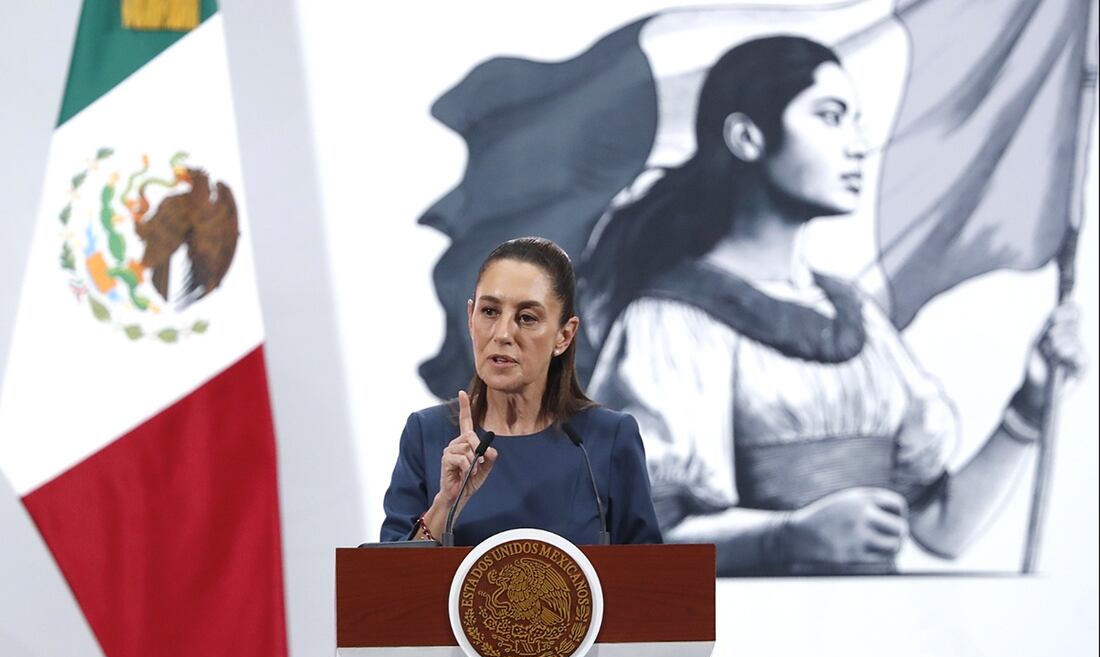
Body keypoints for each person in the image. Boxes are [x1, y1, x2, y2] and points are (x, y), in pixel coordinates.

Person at [581, 36, 1085, 574]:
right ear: (747, 137)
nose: (857, 144)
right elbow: (634, 544)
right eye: (831, 116)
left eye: (856, 120)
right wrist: (785, 538)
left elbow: (942, 529)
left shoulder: (859, 318)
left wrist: (1029, 408)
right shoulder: (670, 322)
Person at [381, 237, 662, 546]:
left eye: (527, 318)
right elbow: (390, 582)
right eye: (489, 312)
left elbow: (651, 583)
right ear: (470, 319)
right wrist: (445, 504)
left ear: (564, 335)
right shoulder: (428, 434)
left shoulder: (607, 439)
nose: (502, 334)